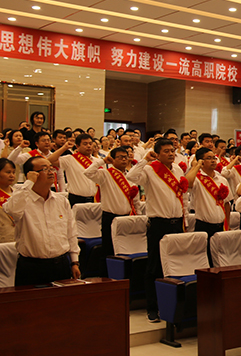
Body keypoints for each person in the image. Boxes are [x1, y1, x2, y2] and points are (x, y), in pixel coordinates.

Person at [127, 138, 188, 323]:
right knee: (154, 267)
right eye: (166, 151)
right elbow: (131, 177)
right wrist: (145, 159)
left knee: (176, 265)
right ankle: (152, 308)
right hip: (158, 224)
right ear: (158, 153)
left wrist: (185, 219)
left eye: (172, 150)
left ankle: (172, 307)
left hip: (177, 222)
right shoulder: (150, 169)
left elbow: (182, 197)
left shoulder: (177, 169)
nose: (170, 154)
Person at [6, 156, 80, 285]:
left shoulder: (61, 201)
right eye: (45, 169)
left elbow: (71, 232)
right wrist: (29, 183)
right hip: (32, 266)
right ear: (32, 175)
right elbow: (12, 210)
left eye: (51, 168)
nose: (51, 172)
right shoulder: (22, 200)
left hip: (60, 264)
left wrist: (74, 262)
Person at [85, 147, 143, 259]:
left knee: (126, 249)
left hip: (128, 217)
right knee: (109, 249)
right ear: (113, 159)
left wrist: (138, 216)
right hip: (110, 217)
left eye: (125, 157)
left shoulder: (130, 176)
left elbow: (135, 199)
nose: (124, 159)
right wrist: (102, 161)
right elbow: (88, 172)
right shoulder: (105, 174)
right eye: (120, 157)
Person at [186, 147, 233, 267]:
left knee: (220, 259)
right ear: (201, 161)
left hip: (220, 225)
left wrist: (227, 224)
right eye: (209, 158)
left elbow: (227, 203)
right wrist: (196, 166)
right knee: (205, 260)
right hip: (204, 225)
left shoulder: (222, 179)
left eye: (214, 158)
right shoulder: (197, 178)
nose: (213, 161)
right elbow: (187, 184)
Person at [49, 133, 101, 206]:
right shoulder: (70, 159)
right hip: (76, 199)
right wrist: (64, 148)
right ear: (77, 146)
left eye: (90, 143)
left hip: (94, 199)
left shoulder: (98, 161)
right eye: (85, 144)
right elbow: (50, 161)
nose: (88, 146)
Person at [0, 158, 16, 243]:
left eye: (13, 172)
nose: (12, 175)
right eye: (8, 172)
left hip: (19, 238)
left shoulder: (18, 193)